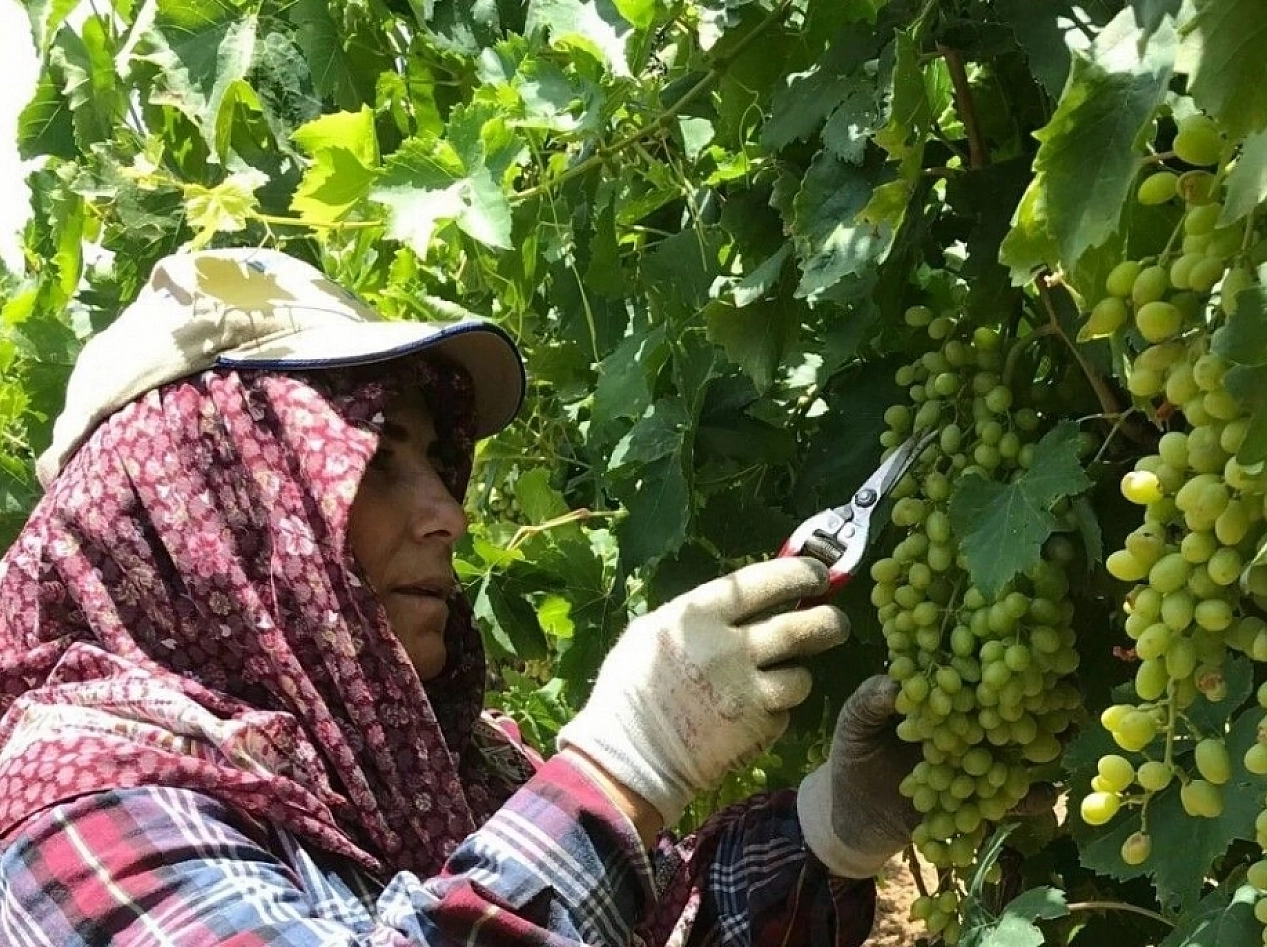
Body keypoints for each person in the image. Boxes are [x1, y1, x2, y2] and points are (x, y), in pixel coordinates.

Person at [0, 248, 920, 945]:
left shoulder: (441, 766)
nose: (449, 514)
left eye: (438, 463)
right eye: (374, 459)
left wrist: (831, 832)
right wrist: (620, 775)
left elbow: (639, 927)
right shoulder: (74, 822)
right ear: (203, 515)